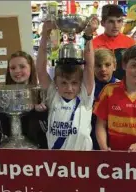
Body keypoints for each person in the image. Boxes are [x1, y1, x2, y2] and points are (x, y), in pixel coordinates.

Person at [35, 17, 98, 150]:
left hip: (82, 161)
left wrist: (88, 37)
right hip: (57, 161)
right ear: (56, 82)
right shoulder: (53, 95)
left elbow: (90, 66)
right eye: (63, 83)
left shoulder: (84, 96)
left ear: (80, 83)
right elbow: (40, 69)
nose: (69, 88)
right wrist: (45, 35)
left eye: (74, 83)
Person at [0, 51, 48, 149]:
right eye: (13, 68)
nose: (17, 71)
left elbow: (46, 129)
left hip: (36, 150)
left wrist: (41, 113)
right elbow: (1, 126)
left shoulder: (40, 94)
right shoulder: (3, 95)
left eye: (22, 66)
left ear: (31, 67)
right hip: (11, 149)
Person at [93, 4, 136, 80]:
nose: (116, 26)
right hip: (98, 88)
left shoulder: (130, 43)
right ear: (102, 23)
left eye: (119, 21)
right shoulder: (93, 44)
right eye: (111, 21)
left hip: (124, 88)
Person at [91, 48, 120, 150]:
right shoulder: (88, 88)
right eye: (98, 65)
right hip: (91, 140)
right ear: (92, 67)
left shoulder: (122, 87)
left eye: (107, 65)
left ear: (114, 66)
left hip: (116, 140)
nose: (103, 69)